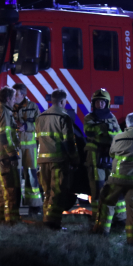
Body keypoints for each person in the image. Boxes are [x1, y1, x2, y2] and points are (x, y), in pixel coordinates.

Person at [92, 113, 133, 246]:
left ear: (126, 124)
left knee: (107, 201)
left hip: (118, 179)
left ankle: (102, 232)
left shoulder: (118, 138)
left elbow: (112, 153)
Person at [36, 89, 79, 230]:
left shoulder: (40, 117)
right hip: (58, 160)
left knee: (47, 191)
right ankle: (52, 223)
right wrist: (74, 159)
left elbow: (37, 139)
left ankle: (45, 219)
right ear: (62, 101)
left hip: (42, 160)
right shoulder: (64, 117)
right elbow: (68, 142)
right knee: (57, 192)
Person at [84, 89, 125, 223]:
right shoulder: (89, 118)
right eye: (97, 102)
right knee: (98, 189)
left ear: (107, 103)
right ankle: (98, 218)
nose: (100, 104)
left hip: (110, 159)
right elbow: (89, 131)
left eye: (102, 102)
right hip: (95, 161)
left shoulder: (112, 118)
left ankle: (120, 218)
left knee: (115, 188)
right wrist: (105, 128)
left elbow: (118, 136)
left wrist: (104, 130)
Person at [0, 86, 21, 224]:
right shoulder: (5, 113)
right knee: (10, 188)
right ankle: (11, 220)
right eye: (14, 98)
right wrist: (12, 154)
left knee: (1, 189)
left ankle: (1, 218)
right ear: (8, 99)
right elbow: (5, 136)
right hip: (5, 157)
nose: (15, 100)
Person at [12, 83, 42, 218]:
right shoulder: (10, 106)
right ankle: (14, 206)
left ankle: (35, 207)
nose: (14, 96)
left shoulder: (33, 107)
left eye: (16, 94)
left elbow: (39, 125)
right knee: (15, 177)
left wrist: (26, 126)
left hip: (30, 147)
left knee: (31, 176)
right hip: (15, 148)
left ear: (23, 95)